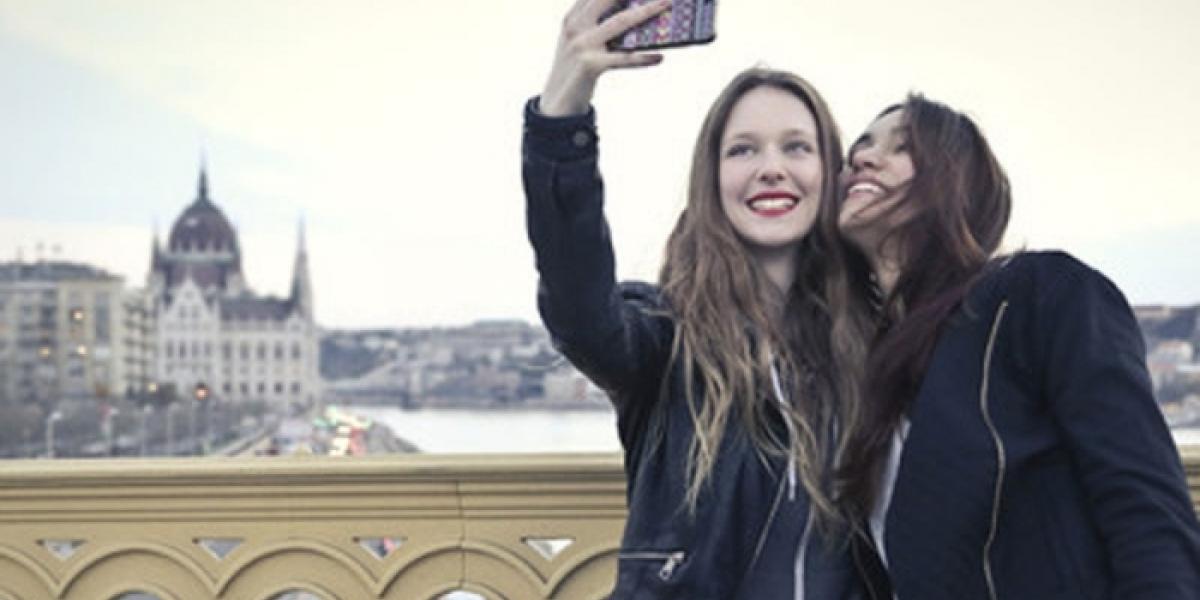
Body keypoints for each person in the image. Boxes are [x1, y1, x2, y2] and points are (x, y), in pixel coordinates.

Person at [522, 1, 865, 597]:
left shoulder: (871, 341)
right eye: (743, 150)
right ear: (712, 179)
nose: (771, 168)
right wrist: (561, 116)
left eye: (796, 147)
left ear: (831, 172)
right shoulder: (666, 340)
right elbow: (580, 314)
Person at [827, 94, 1200, 599]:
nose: (864, 159)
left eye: (903, 146)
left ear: (956, 179)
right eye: (860, 147)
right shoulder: (864, 370)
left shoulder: (1038, 294)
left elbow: (1146, 508)